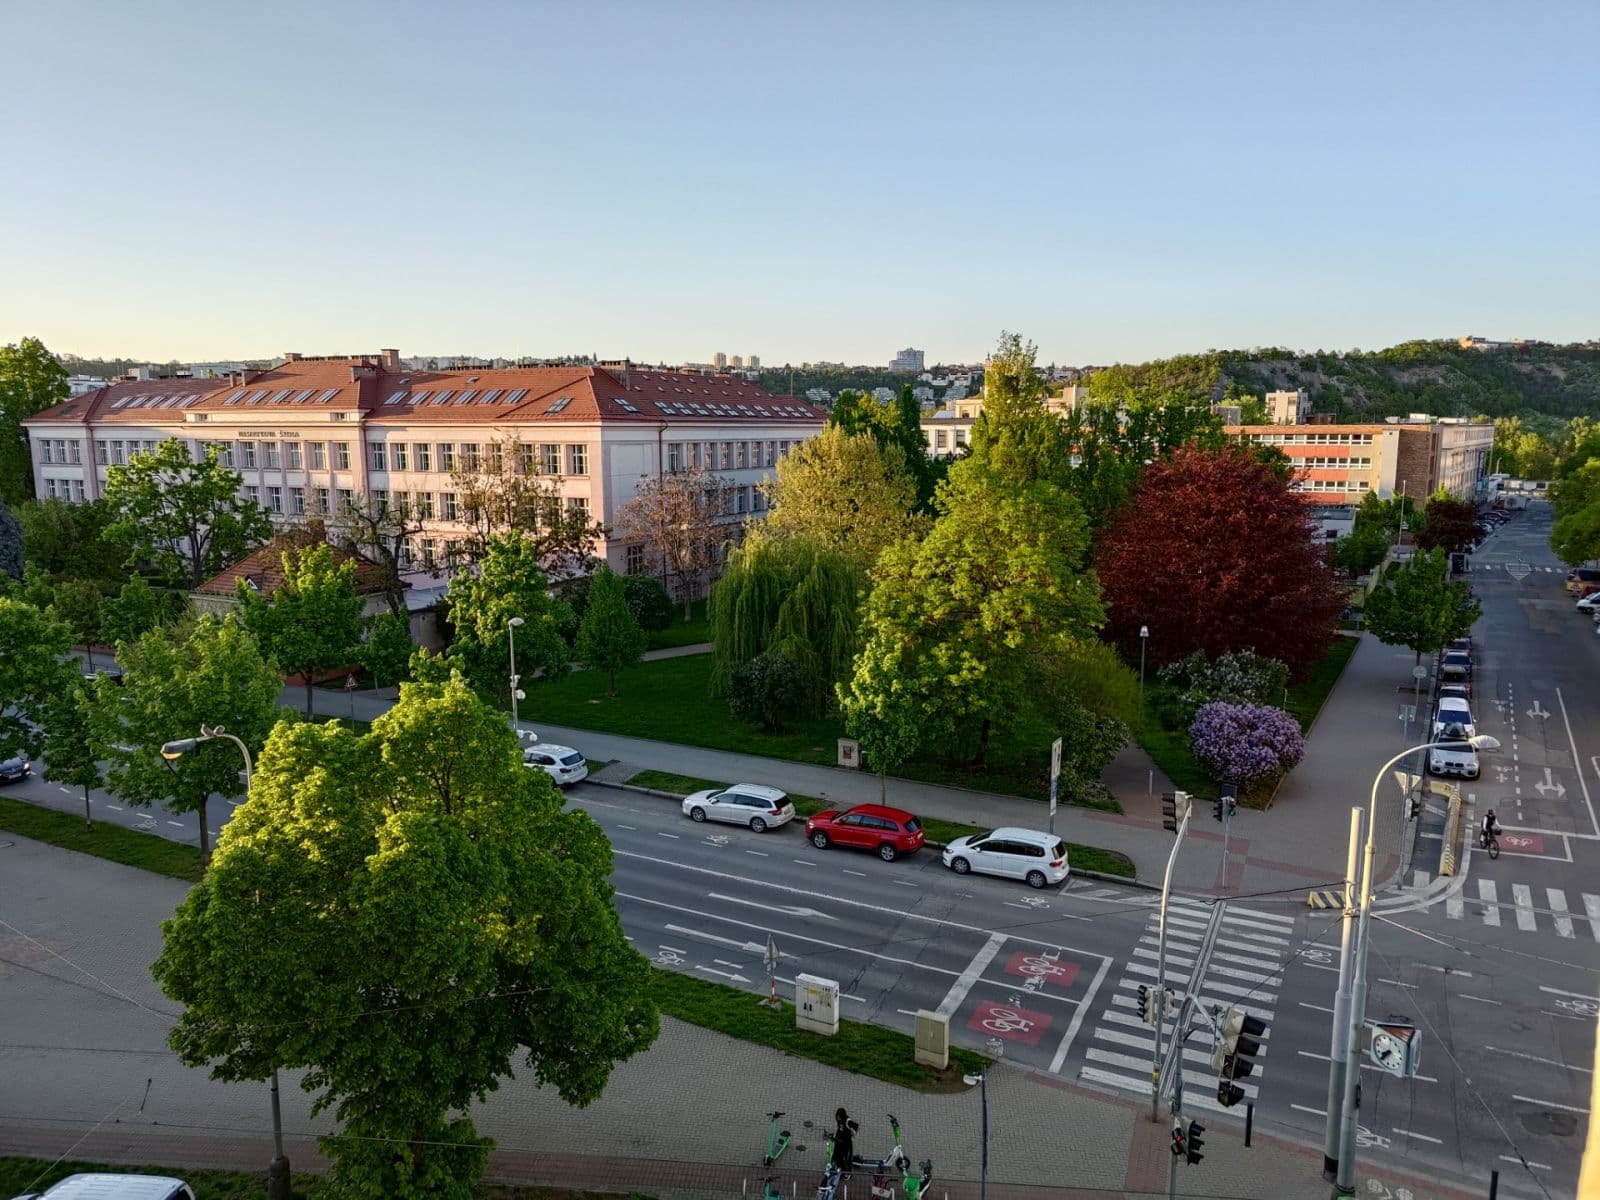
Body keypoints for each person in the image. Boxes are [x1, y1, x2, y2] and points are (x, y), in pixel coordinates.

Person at [831, 1109, 854, 1173]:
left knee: (845, 1157)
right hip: (839, 1140)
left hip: (845, 1142)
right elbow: (839, 1128)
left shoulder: (847, 1121)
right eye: (837, 1116)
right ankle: (835, 1166)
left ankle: (847, 1172)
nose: (837, 1118)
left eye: (839, 1116)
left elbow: (854, 1131)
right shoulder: (839, 1120)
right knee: (836, 1154)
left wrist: (851, 1134)